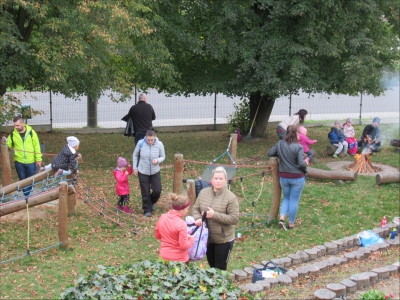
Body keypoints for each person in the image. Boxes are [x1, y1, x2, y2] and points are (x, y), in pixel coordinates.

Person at [192, 166, 239, 271]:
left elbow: (234, 219)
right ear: (211, 180)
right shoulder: (203, 193)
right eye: (216, 178)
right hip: (207, 238)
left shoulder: (231, 197)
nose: (218, 181)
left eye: (221, 179)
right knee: (212, 266)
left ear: (225, 180)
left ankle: (223, 286)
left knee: (220, 268)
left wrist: (214, 215)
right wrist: (197, 218)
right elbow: (195, 209)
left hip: (223, 239)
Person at [268, 125, 307, 230]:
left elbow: (270, 153)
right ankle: (291, 224)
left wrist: (280, 153)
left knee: (286, 198)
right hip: (297, 177)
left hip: (284, 177)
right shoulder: (299, 147)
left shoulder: (280, 144)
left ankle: (281, 219)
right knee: (294, 200)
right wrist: (305, 171)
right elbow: (301, 164)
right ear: (296, 134)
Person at [2, 116, 42, 196]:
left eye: (17, 125)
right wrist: (6, 141)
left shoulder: (31, 132)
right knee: (22, 180)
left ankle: (27, 194)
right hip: (19, 161)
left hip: (31, 161)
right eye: (14, 125)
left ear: (23, 124)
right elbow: (9, 145)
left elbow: (37, 146)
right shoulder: (13, 134)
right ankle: (26, 196)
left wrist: (38, 159)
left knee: (31, 180)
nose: (15, 127)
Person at [133, 129, 165, 217]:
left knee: (157, 190)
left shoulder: (159, 144)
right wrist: (135, 167)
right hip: (143, 171)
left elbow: (163, 156)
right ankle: (147, 210)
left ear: (155, 137)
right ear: (146, 137)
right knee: (145, 192)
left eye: (152, 140)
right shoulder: (140, 143)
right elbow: (135, 155)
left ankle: (150, 203)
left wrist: (157, 160)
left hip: (155, 171)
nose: (150, 141)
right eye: (148, 140)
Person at [154, 193, 195, 262]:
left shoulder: (162, 217)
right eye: (187, 209)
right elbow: (184, 246)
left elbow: (157, 236)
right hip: (179, 260)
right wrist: (192, 239)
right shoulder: (182, 224)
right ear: (182, 209)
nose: (187, 211)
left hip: (163, 258)